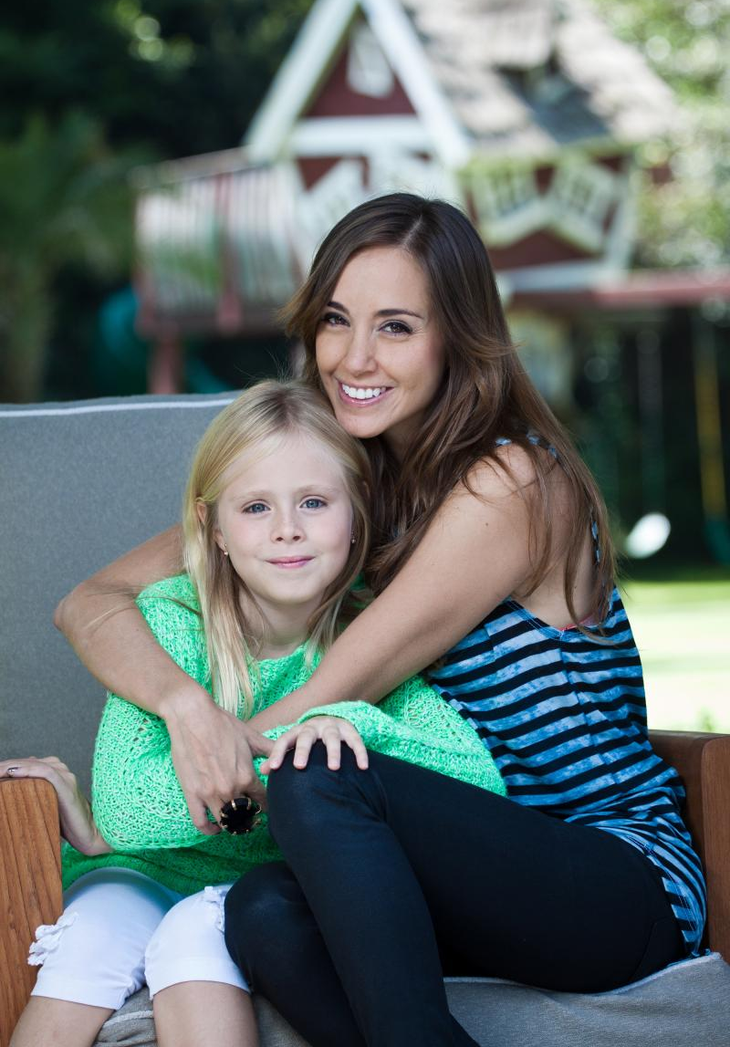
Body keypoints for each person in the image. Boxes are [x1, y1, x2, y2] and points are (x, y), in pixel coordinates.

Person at [56, 195, 706, 1046]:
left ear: (457, 340)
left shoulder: (511, 482)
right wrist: (184, 707)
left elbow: (323, 701)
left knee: (317, 762)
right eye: (336, 319)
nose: (353, 357)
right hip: (456, 876)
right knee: (261, 910)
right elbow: (89, 602)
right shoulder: (334, 493)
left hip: (615, 882)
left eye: (395, 327)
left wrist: (119, 823)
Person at [3, 379, 504, 1047]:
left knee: (196, 938)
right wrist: (303, 778)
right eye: (257, 506)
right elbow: (127, 806)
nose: (287, 528)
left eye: (315, 502)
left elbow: (478, 785)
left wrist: (354, 731)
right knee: (88, 940)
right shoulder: (170, 623)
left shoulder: (369, 647)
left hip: (257, 888)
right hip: (134, 871)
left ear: (356, 514)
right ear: (213, 529)